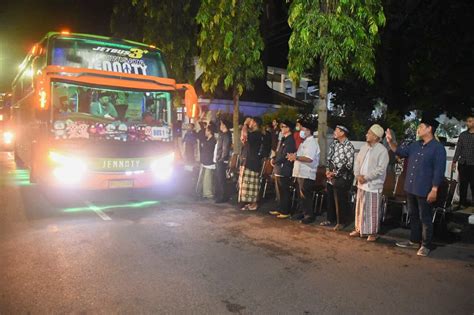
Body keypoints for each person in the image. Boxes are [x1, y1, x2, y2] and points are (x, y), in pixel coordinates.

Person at [386, 116, 447, 257]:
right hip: (411, 187)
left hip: (425, 189)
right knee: (413, 215)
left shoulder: (438, 148)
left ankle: (426, 245)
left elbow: (439, 171)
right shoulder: (415, 145)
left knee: (425, 217)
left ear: (429, 128)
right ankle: (414, 240)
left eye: (420, 126)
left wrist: (434, 189)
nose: (418, 129)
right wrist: (390, 141)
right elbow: (400, 152)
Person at [350, 124, 389, 241]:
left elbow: (380, 169)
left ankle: (372, 232)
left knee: (372, 210)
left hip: (373, 184)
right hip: (361, 183)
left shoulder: (382, 151)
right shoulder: (364, 147)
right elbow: (357, 162)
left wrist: (366, 177)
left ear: (376, 137)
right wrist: (357, 175)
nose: (367, 135)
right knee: (360, 207)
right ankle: (359, 229)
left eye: (370, 133)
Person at [321, 125, 355, 230]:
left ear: (342, 133)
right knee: (330, 197)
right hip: (331, 176)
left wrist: (335, 174)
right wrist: (327, 171)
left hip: (342, 178)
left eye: (336, 131)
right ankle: (330, 219)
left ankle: (341, 222)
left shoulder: (348, 146)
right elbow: (329, 158)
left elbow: (349, 164)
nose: (334, 132)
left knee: (340, 200)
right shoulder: (334, 144)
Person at [287, 119, 320, 223]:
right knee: (300, 195)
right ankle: (302, 212)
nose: (300, 130)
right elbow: (300, 155)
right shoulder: (304, 142)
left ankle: (309, 216)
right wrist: (293, 156)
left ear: (308, 130)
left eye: (302, 128)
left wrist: (295, 157)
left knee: (306, 195)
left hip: (307, 173)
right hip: (300, 173)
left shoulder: (312, 143)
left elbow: (309, 158)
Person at [269, 120, 297, 219]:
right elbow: (279, 152)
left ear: (288, 128)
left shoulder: (290, 140)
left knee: (284, 191)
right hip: (279, 169)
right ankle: (279, 208)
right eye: (281, 126)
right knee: (278, 191)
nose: (281, 128)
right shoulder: (284, 139)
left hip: (284, 169)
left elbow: (285, 155)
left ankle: (285, 210)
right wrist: (274, 159)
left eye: (283, 126)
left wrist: (275, 161)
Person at [238, 117, 263, 211]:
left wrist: (244, 124)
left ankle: (254, 203)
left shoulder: (257, 134)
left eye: (251, 121)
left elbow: (244, 136)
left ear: (255, 123)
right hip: (248, 160)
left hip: (252, 162)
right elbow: (243, 139)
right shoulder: (253, 134)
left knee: (252, 184)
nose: (249, 123)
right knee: (246, 184)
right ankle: (249, 203)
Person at [452, 114, 474, 209]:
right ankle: (462, 203)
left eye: (470, 121)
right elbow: (458, 149)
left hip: (473, 164)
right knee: (463, 185)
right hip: (463, 163)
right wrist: (454, 161)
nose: (467, 123)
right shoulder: (463, 135)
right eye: (467, 121)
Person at [196, 126, 217, 199]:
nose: (205, 132)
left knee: (207, 179)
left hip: (209, 162)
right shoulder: (207, 140)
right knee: (203, 178)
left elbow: (209, 152)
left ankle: (208, 194)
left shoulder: (212, 141)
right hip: (204, 161)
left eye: (206, 131)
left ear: (209, 131)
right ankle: (203, 193)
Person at [215, 119, 233, 203]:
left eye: (221, 124)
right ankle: (222, 196)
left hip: (221, 160)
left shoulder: (226, 135)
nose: (220, 126)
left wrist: (221, 159)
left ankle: (223, 197)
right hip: (220, 159)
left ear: (225, 125)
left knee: (221, 179)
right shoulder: (224, 134)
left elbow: (225, 148)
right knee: (220, 178)